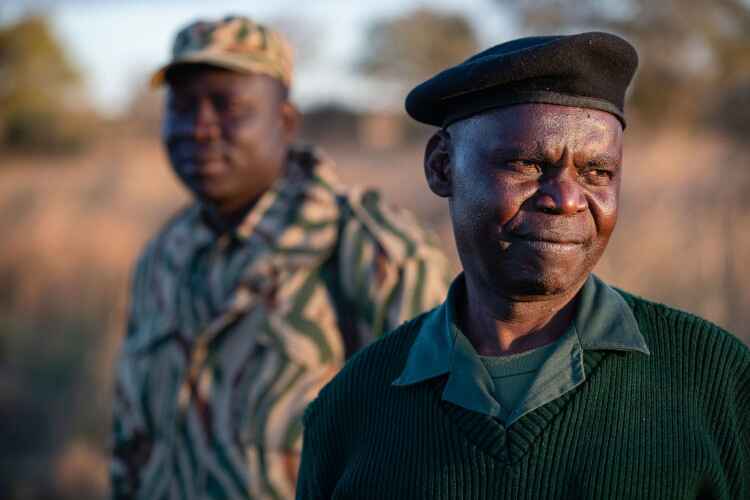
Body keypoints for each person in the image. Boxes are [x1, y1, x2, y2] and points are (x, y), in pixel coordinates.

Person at [297, 32, 750, 499]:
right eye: (528, 164)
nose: (567, 199)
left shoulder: (713, 379)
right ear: (442, 166)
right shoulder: (354, 404)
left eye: (597, 173)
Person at [110, 16, 450, 500]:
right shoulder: (163, 255)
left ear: (285, 121)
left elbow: (430, 456)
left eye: (227, 106)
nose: (198, 130)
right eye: (182, 107)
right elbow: (131, 440)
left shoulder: (373, 248)